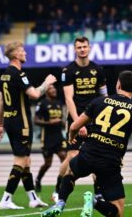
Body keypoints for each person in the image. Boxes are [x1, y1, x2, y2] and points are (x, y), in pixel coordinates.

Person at [41, 71, 132, 217]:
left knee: (70, 172)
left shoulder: (99, 101)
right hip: (110, 162)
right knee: (117, 211)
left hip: (89, 153)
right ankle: (94, 202)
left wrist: (71, 136)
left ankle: (60, 202)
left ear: (118, 84)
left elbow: (74, 126)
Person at [0, 41, 56, 209]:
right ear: (15, 55)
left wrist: (0, 124)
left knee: (26, 161)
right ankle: (6, 199)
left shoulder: (4, 75)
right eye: (22, 51)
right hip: (22, 123)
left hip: (9, 122)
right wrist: (47, 82)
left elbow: (0, 101)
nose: (25, 53)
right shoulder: (19, 74)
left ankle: (33, 198)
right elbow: (35, 94)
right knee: (21, 160)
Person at [54, 36, 107, 201]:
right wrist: (78, 123)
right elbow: (68, 99)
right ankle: (58, 190)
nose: (82, 49)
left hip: (95, 120)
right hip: (75, 119)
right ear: (75, 50)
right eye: (79, 47)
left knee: (98, 155)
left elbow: (104, 96)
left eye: (85, 46)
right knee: (72, 158)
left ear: (89, 48)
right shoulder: (68, 71)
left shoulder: (98, 69)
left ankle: (98, 193)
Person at [34, 84, 67, 193]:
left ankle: (59, 185)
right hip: (47, 138)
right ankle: (38, 179)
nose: (54, 90)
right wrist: (49, 122)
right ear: (46, 91)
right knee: (48, 163)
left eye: (54, 87)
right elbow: (36, 120)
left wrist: (62, 123)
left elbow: (61, 120)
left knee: (64, 158)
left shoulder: (59, 103)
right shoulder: (42, 104)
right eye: (51, 88)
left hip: (59, 137)